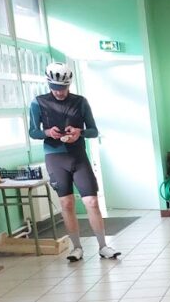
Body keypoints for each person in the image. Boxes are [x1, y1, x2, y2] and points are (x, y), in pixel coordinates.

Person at [28, 62, 118, 262]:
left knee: (91, 201)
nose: (59, 92)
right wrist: (47, 132)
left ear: (69, 84)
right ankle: (76, 248)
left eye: (63, 88)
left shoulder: (80, 102)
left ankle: (103, 246)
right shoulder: (38, 103)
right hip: (55, 158)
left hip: (78, 156)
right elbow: (33, 132)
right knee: (66, 203)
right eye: (55, 88)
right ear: (49, 84)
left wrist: (80, 132)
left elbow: (93, 131)